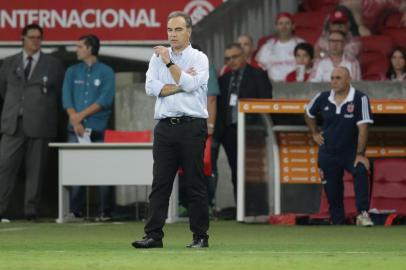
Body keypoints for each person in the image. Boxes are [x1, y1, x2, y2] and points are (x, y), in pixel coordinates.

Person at [132, 11, 210, 249]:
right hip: (165, 127)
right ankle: (153, 236)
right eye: (169, 30)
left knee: (194, 183)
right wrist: (180, 84)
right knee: (160, 183)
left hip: (191, 126)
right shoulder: (155, 58)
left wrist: (169, 62)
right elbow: (150, 87)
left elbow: (190, 84)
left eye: (178, 29)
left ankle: (200, 237)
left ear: (189, 31)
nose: (172, 35)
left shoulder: (199, 58)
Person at [0, 24, 64, 222]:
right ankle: (1, 209)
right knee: (4, 167)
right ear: (22, 39)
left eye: (39, 37)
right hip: (12, 124)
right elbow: (3, 90)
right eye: (32, 37)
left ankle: (31, 211)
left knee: (36, 170)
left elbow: (58, 94)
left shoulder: (53, 64)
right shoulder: (9, 62)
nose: (36, 41)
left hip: (40, 124)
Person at [305, 66, 374, 226]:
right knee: (333, 194)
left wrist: (360, 154)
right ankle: (338, 223)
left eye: (338, 78)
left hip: (350, 152)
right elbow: (308, 113)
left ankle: (362, 214)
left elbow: (363, 128)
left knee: (361, 169)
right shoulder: (322, 97)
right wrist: (315, 132)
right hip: (328, 153)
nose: (334, 82)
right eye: (332, 78)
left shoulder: (360, 98)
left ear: (348, 79)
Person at [62, 35, 116, 221]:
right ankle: (76, 211)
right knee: (76, 169)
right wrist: (75, 120)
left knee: (103, 170)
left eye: (79, 46)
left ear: (90, 49)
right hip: (75, 128)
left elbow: (104, 100)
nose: (76, 49)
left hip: (98, 128)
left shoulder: (107, 71)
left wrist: (80, 116)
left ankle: (105, 211)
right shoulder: (71, 71)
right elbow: (67, 98)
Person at [214, 43, 272, 202]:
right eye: (227, 58)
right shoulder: (223, 79)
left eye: (234, 57)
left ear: (244, 56)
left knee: (254, 171)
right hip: (229, 131)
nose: (231, 61)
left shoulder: (258, 75)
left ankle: (256, 207)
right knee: (235, 169)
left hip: (251, 130)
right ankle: (240, 206)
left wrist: (259, 128)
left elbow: (266, 102)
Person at [255, 12, 305, 81]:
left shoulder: (301, 44)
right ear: (276, 27)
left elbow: (307, 67)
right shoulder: (267, 46)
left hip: (296, 86)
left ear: (293, 26)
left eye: (287, 23)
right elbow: (260, 70)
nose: (284, 27)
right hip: (273, 86)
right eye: (280, 24)